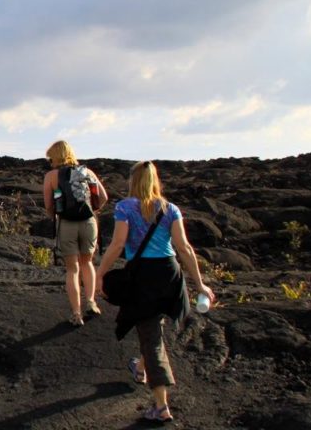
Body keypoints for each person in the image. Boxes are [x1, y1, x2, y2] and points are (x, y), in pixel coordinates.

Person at [95, 161, 216, 424]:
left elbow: (117, 244)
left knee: (152, 338)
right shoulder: (170, 209)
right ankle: (140, 368)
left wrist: (100, 274)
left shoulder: (125, 207)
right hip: (170, 274)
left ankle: (161, 406)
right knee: (152, 327)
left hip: (144, 275)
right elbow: (183, 247)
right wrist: (199, 284)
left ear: (133, 180)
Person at [43, 140, 108, 327]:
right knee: (87, 263)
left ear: (55, 157)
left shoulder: (52, 176)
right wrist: (93, 211)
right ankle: (91, 302)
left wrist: (54, 217)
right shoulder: (87, 172)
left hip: (67, 223)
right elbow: (103, 197)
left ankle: (76, 314)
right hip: (88, 222)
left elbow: (49, 204)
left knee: (72, 269)